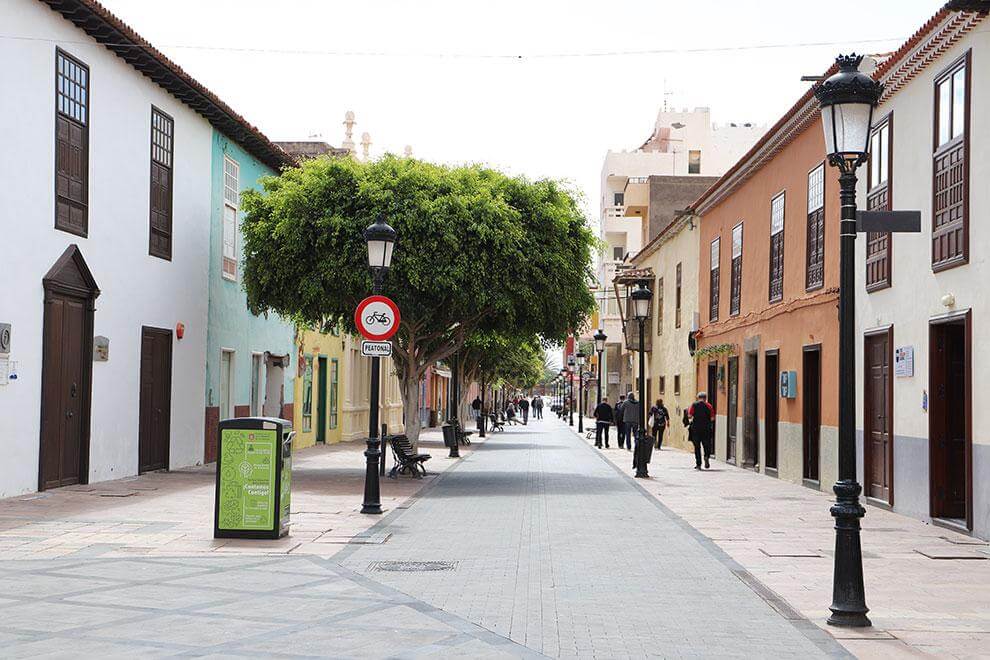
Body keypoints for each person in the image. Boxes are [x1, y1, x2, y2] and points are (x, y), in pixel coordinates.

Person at [688, 392, 715, 470]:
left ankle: (698, 464)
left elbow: (690, 416)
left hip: (696, 429)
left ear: (698, 398)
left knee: (697, 447)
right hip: (706, 428)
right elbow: (712, 418)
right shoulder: (709, 406)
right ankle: (706, 456)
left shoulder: (694, 405)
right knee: (706, 445)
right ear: (705, 398)